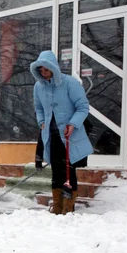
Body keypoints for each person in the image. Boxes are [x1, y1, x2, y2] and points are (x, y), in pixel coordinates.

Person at [31, 50, 93, 214]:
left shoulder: (69, 83)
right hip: (50, 135)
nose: (44, 74)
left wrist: (73, 124)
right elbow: (38, 108)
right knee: (56, 170)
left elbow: (83, 107)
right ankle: (57, 204)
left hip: (68, 135)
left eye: (46, 70)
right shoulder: (38, 87)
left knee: (68, 169)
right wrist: (42, 122)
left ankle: (68, 205)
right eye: (41, 71)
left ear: (53, 68)